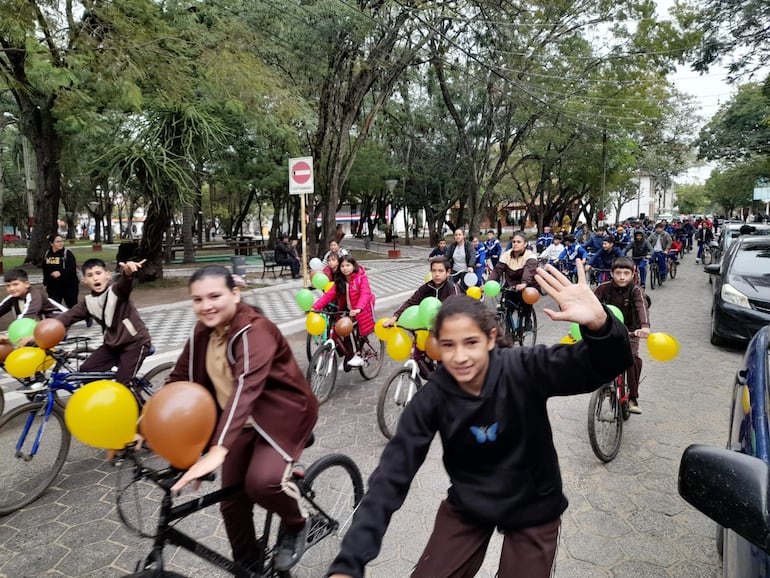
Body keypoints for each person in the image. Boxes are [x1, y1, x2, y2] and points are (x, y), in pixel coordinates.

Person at [326, 267, 633, 578]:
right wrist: (349, 563)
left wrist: (601, 325)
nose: (460, 357)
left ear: (489, 338)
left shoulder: (522, 369)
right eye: (449, 345)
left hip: (533, 504)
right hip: (470, 503)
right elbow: (390, 478)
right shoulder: (432, 397)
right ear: (437, 346)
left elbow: (604, 364)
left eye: (470, 342)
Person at [163, 265, 318, 572]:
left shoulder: (255, 331)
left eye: (214, 296)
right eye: (197, 299)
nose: (206, 306)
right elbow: (180, 379)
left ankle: (298, 522)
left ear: (235, 294)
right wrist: (145, 427)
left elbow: (245, 388)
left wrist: (217, 451)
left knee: (262, 483)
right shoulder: (202, 331)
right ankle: (249, 565)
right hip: (237, 424)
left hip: (281, 416)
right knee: (232, 502)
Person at [54, 259, 152, 386]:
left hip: (134, 344)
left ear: (107, 275)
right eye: (90, 275)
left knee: (124, 386)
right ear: (84, 280)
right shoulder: (88, 302)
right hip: (112, 346)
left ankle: (140, 405)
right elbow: (67, 317)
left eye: (98, 273)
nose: (95, 278)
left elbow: (125, 284)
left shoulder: (117, 291)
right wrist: (38, 334)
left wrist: (128, 273)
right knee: (86, 372)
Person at [593, 257, 650, 414]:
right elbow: (589, 306)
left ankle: (632, 396)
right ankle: (603, 384)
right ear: (612, 273)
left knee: (631, 358)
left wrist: (644, 326)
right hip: (608, 328)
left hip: (631, 330)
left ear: (633, 274)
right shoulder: (603, 288)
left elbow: (641, 307)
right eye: (618, 273)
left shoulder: (636, 290)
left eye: (626, 273)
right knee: (596, 352)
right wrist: (578, 325)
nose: (622, 277)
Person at [312, 255, 375, 367]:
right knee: (338, 330)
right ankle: (350, 355)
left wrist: (359, 308)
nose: (345, 268)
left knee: (357, 332)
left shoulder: (361, 278)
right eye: (342, 266)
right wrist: (315, 307)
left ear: (353, 266)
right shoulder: (340, 281)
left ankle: (359, 354)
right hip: (348, 310)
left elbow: (365, 294)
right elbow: (329, 295)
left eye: (348, 265)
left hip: (362, 310)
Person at [383, 256, 461, 328]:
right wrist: (394, 317)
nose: (436, 274)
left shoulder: (452, 288)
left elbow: (456, 309)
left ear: (448, 272)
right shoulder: (426, 287)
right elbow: (411, 302)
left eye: (440, 271)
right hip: (427, 327)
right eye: (434, 271)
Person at [488, 231, 538, 331]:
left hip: (526, 284)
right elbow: (497, 270)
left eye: (518, 242)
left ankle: (527, 320)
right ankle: (508, 332)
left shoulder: (530, 256)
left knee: (525, 300)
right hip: (510, 285)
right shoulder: (506, 255)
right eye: (514, 241)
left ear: (525, 244)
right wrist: (489, 282)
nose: (515, 244)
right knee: (507, 306)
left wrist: (524, 283)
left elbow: (529, 270)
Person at [0, 268, 67, 331]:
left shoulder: (35, 295)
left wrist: (14, 329)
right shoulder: (13, 297)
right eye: (8, 285)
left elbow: (27, 315)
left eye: (15, 284)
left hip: (60, 322)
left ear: (27, 284)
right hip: (40, 327)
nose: (11, 288)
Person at [42, 233, 80, 309]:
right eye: (58, 242)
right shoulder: (47, 254)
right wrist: (46, 283)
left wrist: (61, 273)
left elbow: (72, 268)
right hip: (53, 287)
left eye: (62, 241)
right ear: (51, 243)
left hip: (69, 286)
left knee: (72, 307)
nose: (61, 243)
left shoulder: (67, 253)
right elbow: (45, 270)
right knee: (54, 307)